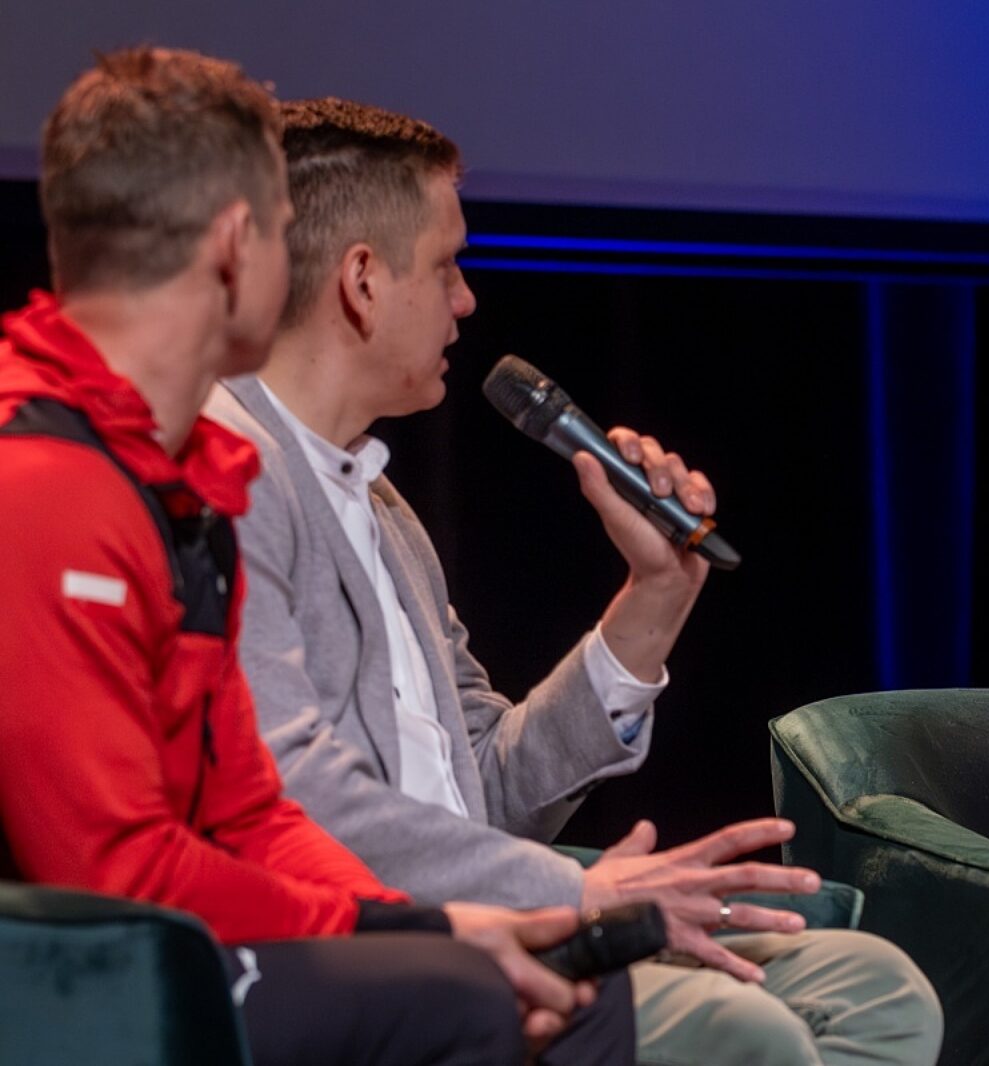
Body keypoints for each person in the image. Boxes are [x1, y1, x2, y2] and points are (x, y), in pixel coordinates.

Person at [204, 96, 943, 1066]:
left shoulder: (381, 507)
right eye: (446, 265)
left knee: (874, 990)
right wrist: (578, 892)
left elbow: (489, 786)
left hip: (501, 912)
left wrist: (655, 594)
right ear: (363, 281)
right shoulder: (228, 477)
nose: (467, 300)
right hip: (379, 945)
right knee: (744, 1031)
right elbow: (291, 794)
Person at [0, 47, 634, 1066]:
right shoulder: (42, 482)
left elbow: (251, 808)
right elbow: (112, 873)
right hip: (86, 971)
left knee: (550, 992)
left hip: (175, 937)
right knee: (473, 1001)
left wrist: (442, 921)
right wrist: (402, 931)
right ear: (236, 246)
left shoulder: (182, 478)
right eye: (285, 227)